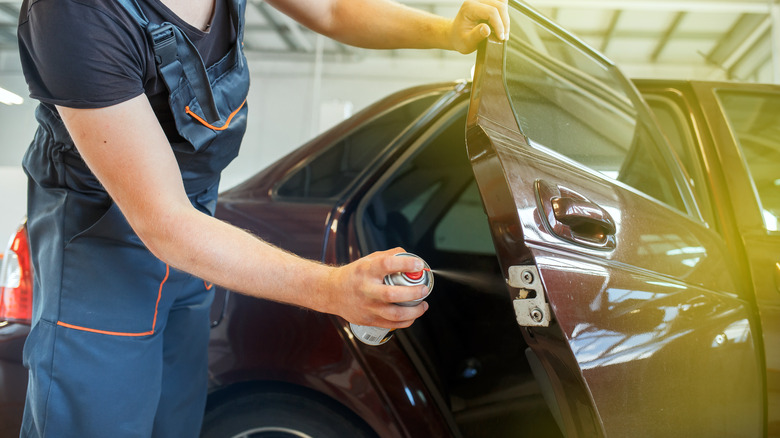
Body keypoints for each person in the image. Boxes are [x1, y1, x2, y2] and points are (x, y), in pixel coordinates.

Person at [16, 0, 509, 436]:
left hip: (192, 237)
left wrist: (447, 32)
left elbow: (333, 9)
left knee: (176, 421)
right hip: (101, 247)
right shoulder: (75, 12)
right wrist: (333, 290)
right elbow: (164, 223)